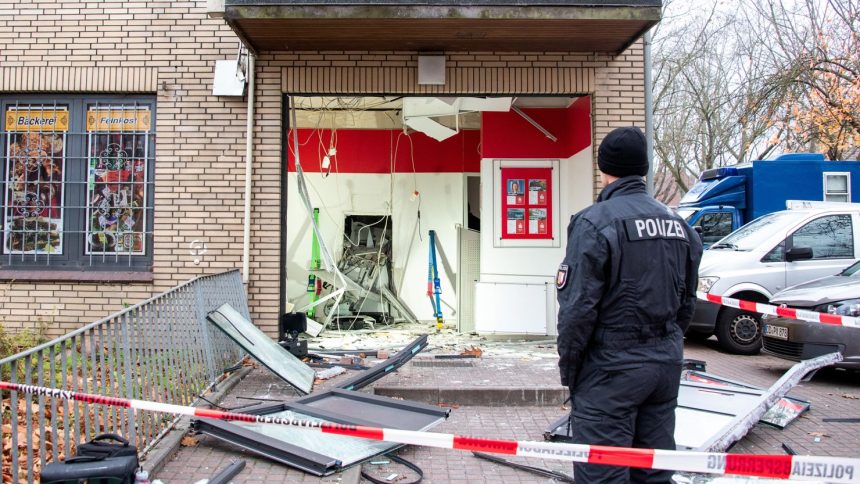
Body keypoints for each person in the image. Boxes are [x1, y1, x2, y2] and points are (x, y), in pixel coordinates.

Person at [556, 126, 702, 483]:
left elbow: (577, 310)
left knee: (603, 474)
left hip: (610, 371)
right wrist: (664, 344)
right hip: (663, 368)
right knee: (652, 474)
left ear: (603, 169)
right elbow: (687, 302)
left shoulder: (593, 223)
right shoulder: (679, 225)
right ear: (645, 169)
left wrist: (572, 374)